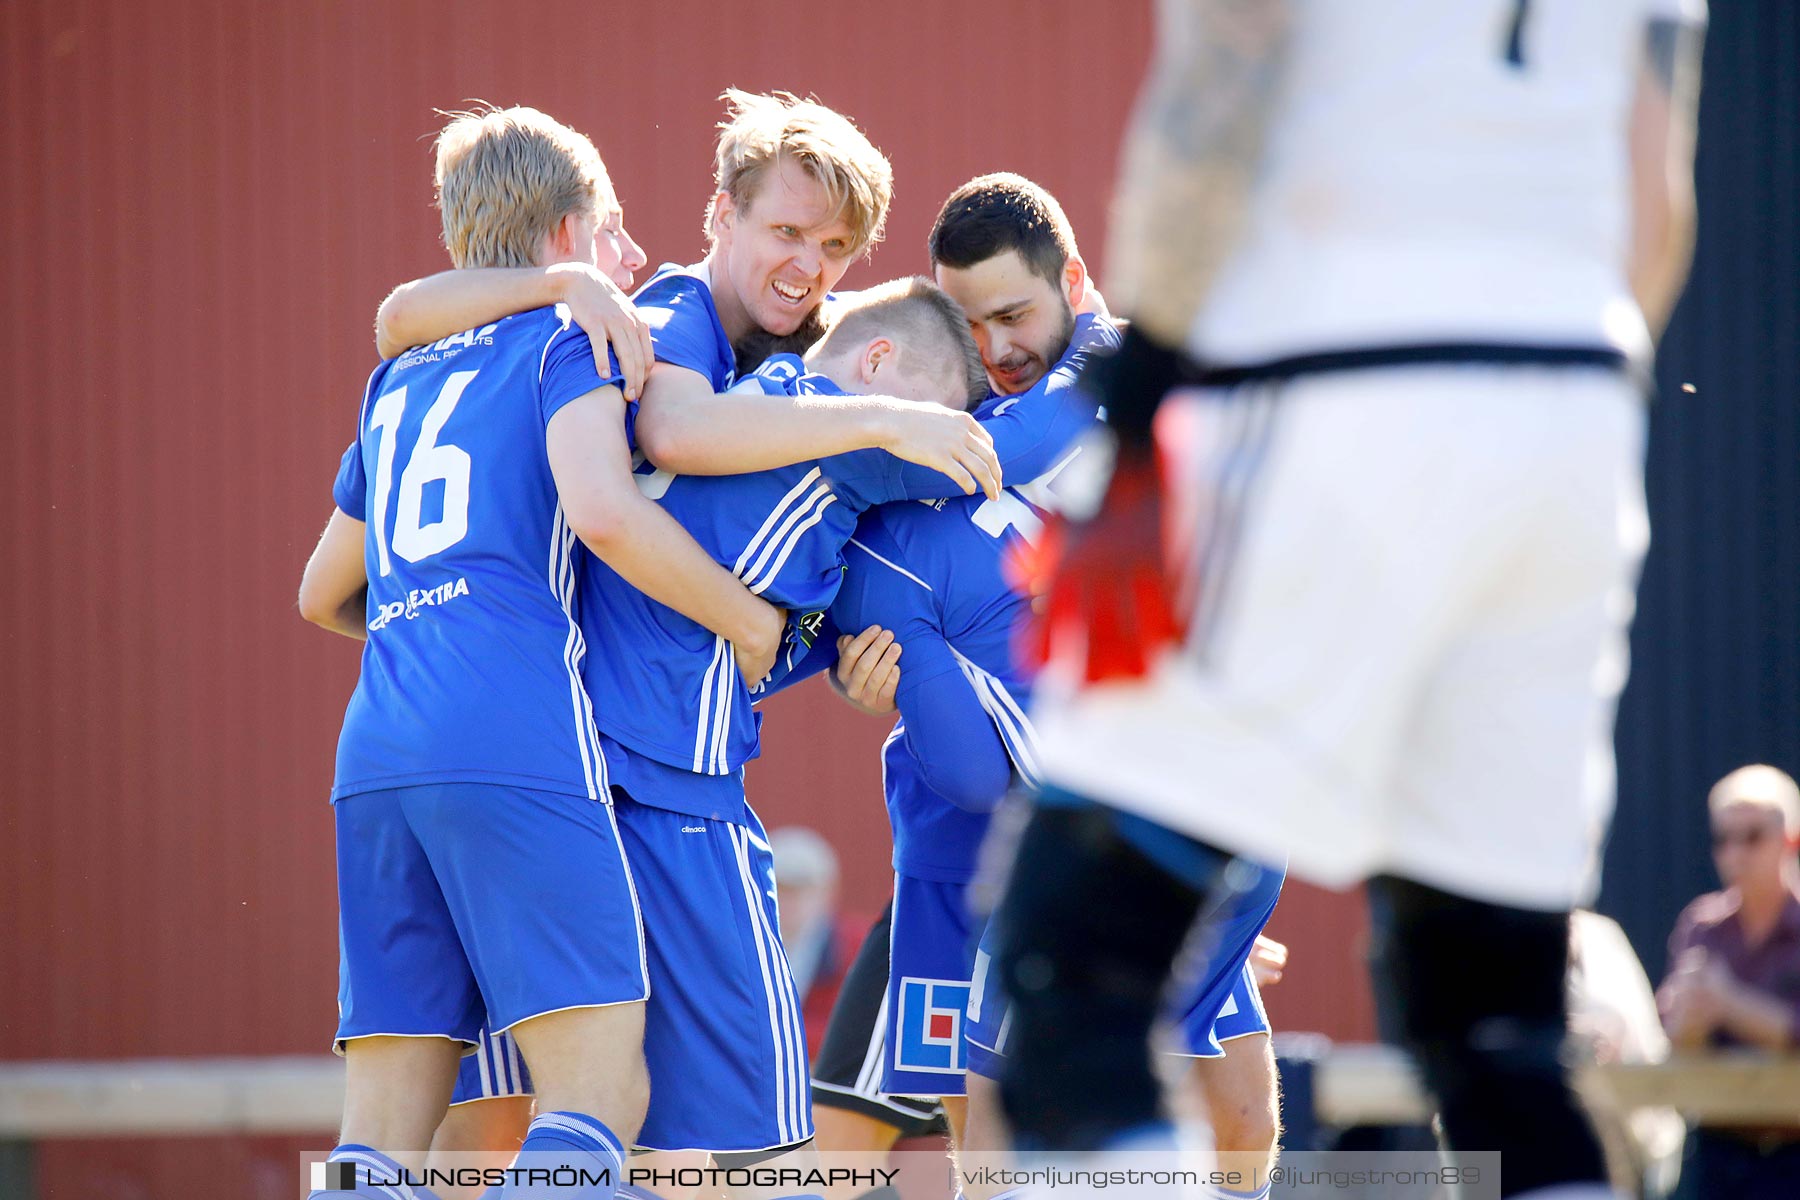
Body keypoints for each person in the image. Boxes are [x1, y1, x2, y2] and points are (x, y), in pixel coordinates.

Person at [990, 3, 1706, 1198]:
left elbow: (1222, 82)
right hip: (1576, 410)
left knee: (1077, 984)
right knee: (1500, 1035)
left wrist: (1150, 375)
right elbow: (1656, 194)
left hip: (1331, 371)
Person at [296, 105, 785, 1200]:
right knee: (598, 1103)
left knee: (377, 1135)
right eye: (613, 233)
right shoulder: (569, 338)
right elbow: (605, 514)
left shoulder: (401, 380)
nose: (633, 258)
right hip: (513, 728)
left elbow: (321, 592)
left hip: (378, 746)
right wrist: (751, 621)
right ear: (568, 234)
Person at [806, 173, 1283, 1188]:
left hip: (1142, 806)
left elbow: (994, 455)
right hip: (969, 836)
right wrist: (874, 672)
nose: (994, 349)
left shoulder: (1108, 374)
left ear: (1076, 282)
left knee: (1240, 1118)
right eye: (967, 325)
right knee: (981, 1146)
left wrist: (830, 440)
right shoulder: (941, 417)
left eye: (1016, 314)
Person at [1657, 765, 1800, 1196]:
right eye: (1723, 839)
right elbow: (1670, 1038)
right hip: (1717, 1153)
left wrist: (1729, 1002)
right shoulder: (1701, 925)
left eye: (1752, 836)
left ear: (1790, 840)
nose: (1736, 853)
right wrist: (1690, 1020)